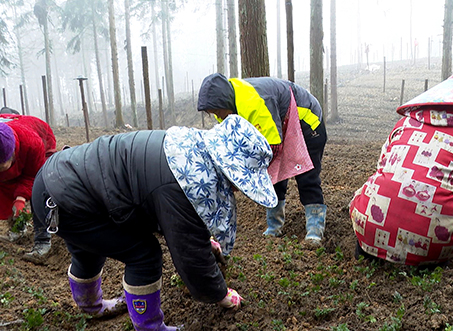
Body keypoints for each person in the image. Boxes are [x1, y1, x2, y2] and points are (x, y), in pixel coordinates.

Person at [30, 115, 277, 330]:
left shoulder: (187, 152)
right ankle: (150, 327)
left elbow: (160, 204)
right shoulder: (181, 184)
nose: (236, 188)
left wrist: (203, 238)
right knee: (144, 254)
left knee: (89, 247)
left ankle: (90, 306)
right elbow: (189, 254)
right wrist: (220, 293)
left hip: (54, 179)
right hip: (66, 199)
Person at [349, 75, 453, 266]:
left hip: (368, 228)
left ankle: (374, 248)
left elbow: (382, 165)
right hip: (432, 243)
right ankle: (428, 255)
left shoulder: (402, 127)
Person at [197, 73, 328, 245]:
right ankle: (274, 226)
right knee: (273, 179)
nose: (218, 117)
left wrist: (246, 178)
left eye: (218, 112)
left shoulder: (253, 103)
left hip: (307, 122)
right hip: (280, 125)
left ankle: (315, 229)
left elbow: (272, 147)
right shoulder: (223, 105)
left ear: (224, 101)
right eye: (213, 113)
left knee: (307, 176)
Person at [0, 114, 56, 261]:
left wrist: (21, 198)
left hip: (42, 138)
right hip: (17, 133)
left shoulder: (32, 143)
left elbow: (32, 177)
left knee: (41, 191)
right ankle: (18, 228)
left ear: (12, 154)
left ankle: (43, 242)